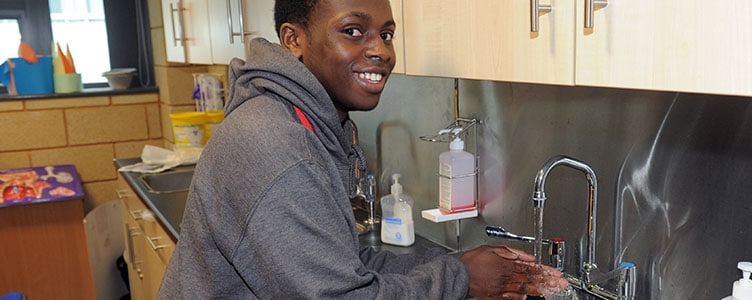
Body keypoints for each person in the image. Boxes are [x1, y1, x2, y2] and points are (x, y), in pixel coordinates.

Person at [157, 0, 568, 299]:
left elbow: (344, 267)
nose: (381, 51)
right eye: (353, 31)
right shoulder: (274, 143)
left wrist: (460, 266)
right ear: (294, 39)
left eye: (386, 34)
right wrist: (461, 278)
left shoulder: (305, 123)